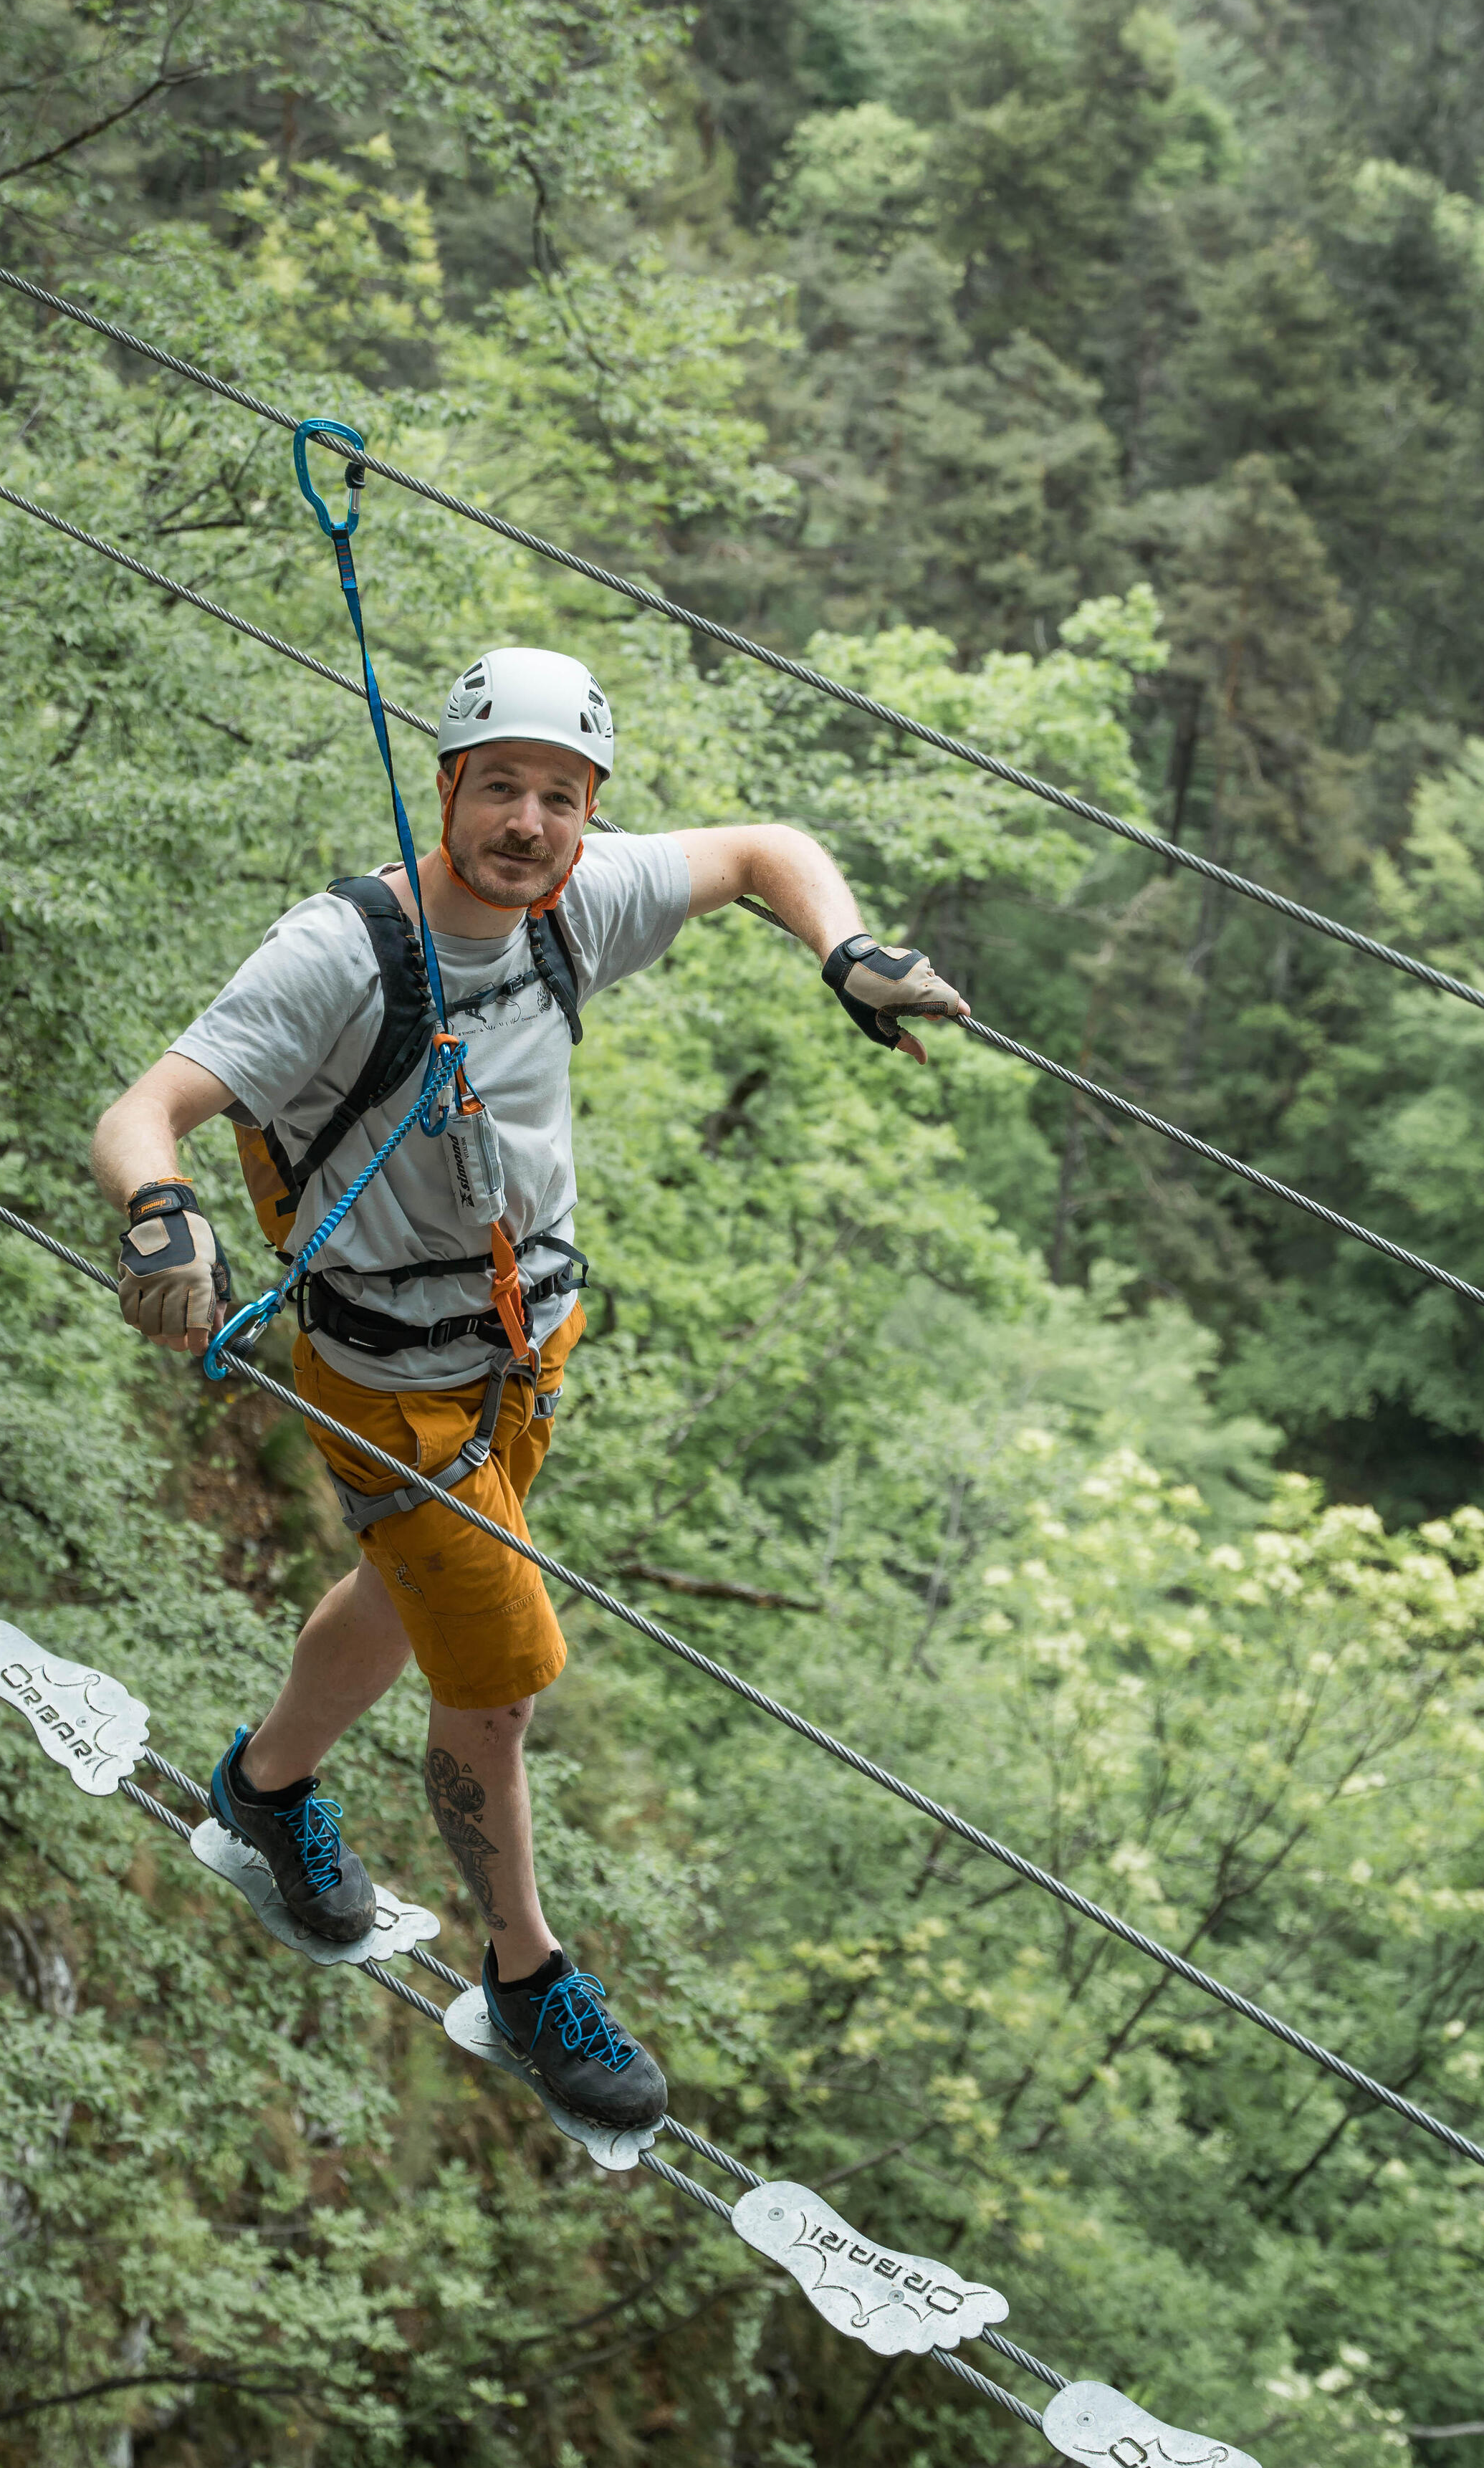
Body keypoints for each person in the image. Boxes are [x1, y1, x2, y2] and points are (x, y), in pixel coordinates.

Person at [91, 646, 968, 2130]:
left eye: (562, 798)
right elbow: (146, 1109)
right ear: (445, 787)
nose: (531, 824)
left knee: (411, 1592)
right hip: (392, 1382)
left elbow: (766, 853)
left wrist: (845, 948)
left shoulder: (573, 906)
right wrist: (160, 1215)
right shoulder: (338, 955)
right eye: (500, 787)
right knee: (496, 1689)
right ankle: (526, 1967)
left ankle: (267, 1784)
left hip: (523, 1358)